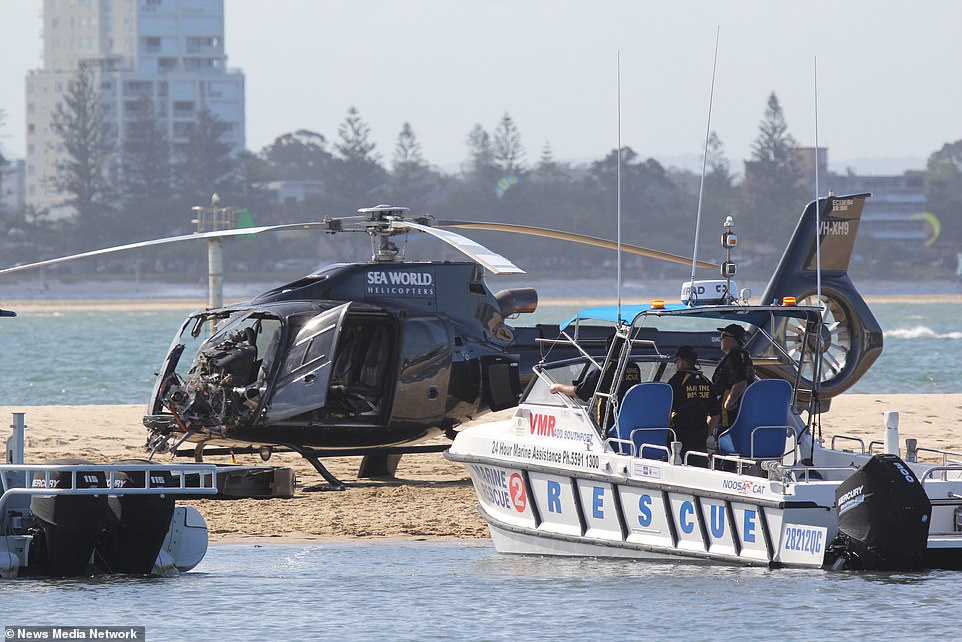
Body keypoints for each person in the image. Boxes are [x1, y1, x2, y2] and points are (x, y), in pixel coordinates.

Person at [548, 334, 641, 426]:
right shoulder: (634, 367)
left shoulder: (606, 368)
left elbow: (581, 393)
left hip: (609, 419)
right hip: (630, 417)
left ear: (608, 348)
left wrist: (557, 387)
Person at [709, 323, 755, 442]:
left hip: (727, 417)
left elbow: (741, 381)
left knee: (722, 444)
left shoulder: (733, 357)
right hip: (743, 411)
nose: (721, 339)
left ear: (732, 339)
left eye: (723, 336)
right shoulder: (745, 357)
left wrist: (729, 403)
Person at [666, 345, 712, 461]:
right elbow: (715, 415)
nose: (676, 364)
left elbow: (667, 411)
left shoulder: (677, 381)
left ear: (682, 361)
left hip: (680, 437)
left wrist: (666, 432)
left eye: (676, 361)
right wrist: (707, 433)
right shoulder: (706, 381)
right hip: (700, 439)